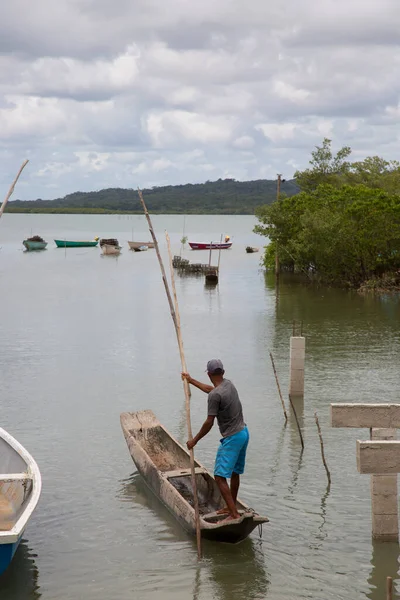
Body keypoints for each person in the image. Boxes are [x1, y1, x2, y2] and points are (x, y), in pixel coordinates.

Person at [181, 359, 249, 522]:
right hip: (243, 433)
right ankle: (230, 506)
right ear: (223, 373)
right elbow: (212, 390)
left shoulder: (214, 395)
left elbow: (209, 422)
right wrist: (191, 381)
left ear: (209, 374)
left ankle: (233, 514)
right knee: (234, 472)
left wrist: (194, 440)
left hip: (232, 437)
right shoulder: (228, 385)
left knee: (219, 477)